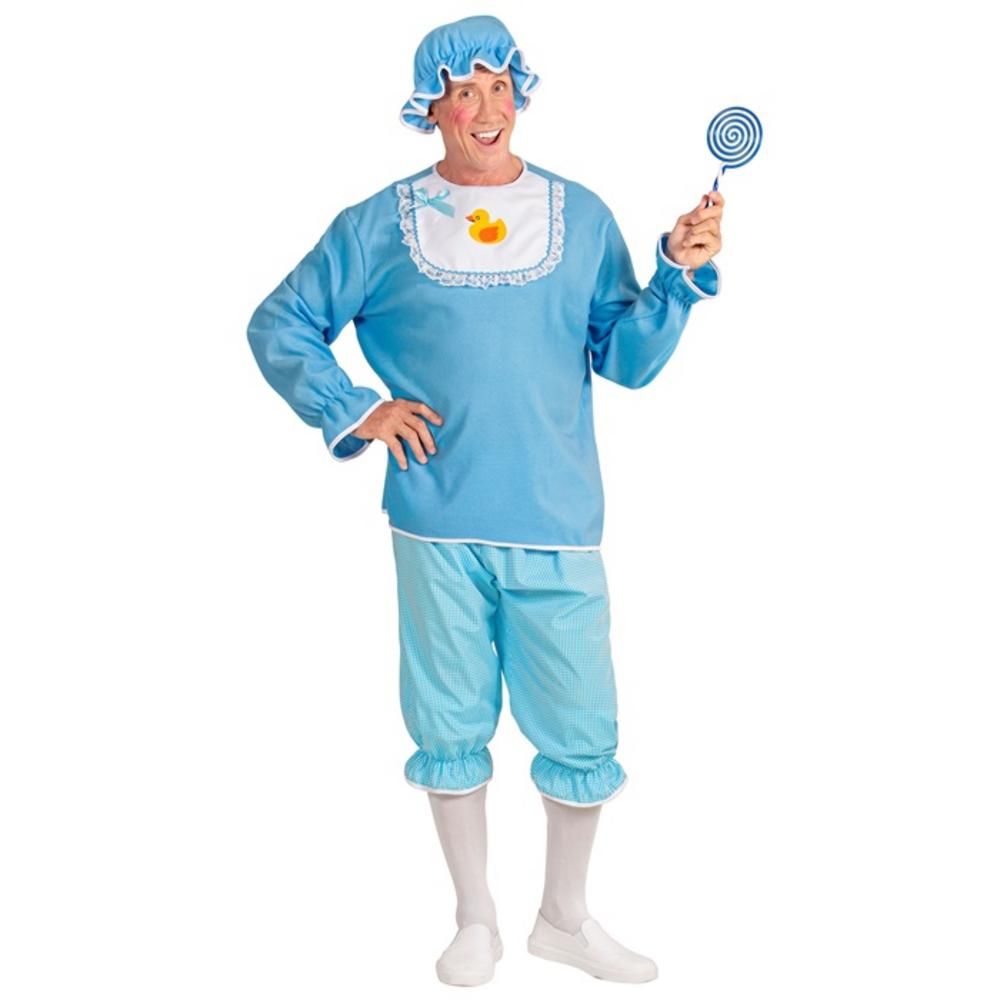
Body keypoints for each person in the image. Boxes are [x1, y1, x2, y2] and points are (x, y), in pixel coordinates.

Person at [247, 14, 724, 987]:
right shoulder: (378, 225)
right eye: (463, 91)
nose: (486, 108)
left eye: (500, 87)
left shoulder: (580, 216)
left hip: (556, 521)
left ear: (520, 97)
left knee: (582, 724)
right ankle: (474, 917)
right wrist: (356, 408)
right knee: (448, 722)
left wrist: (675, 274)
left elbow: (626, 360)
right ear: (430, 110)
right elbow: (281, 321)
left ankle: (564, 917)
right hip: (436, 523)